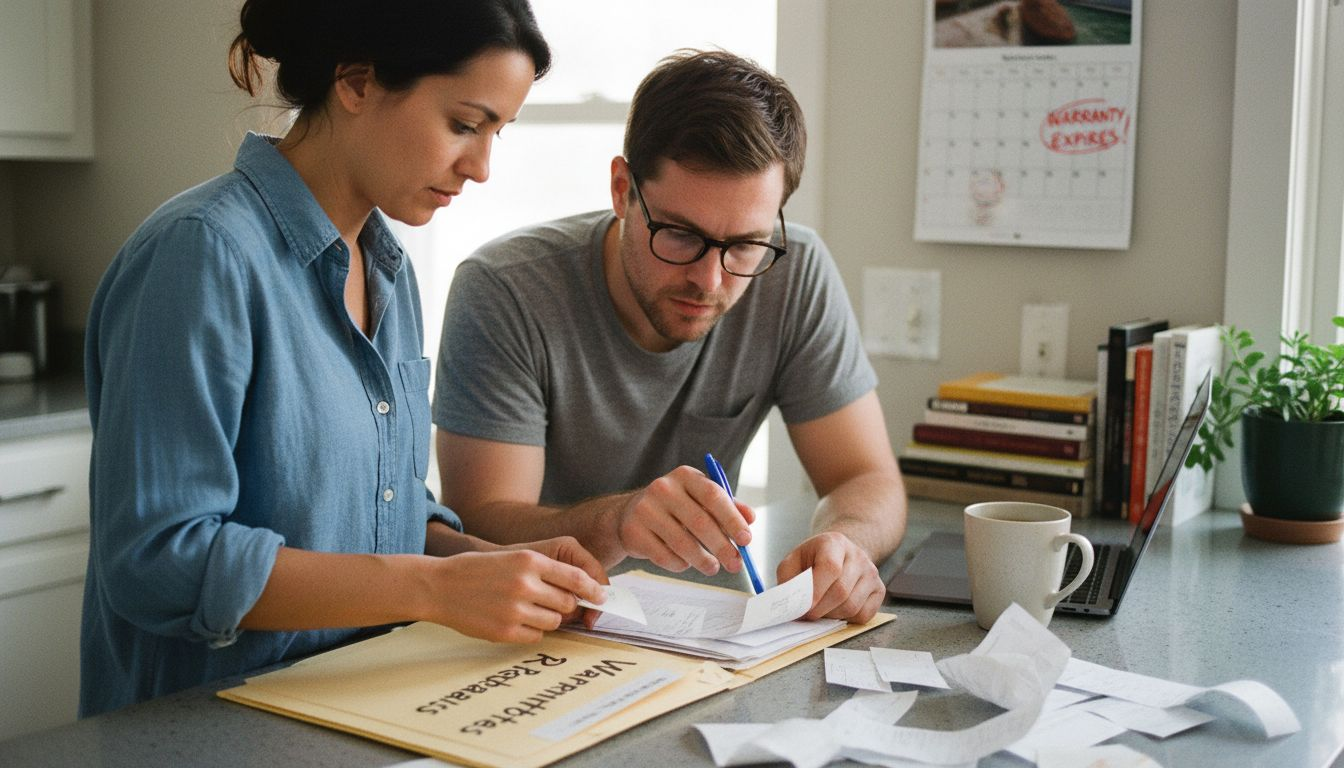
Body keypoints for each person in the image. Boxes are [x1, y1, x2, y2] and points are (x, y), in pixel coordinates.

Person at [79, 0, 607, 718]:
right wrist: (433, 589)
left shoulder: (390, 270)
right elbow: (159, 563)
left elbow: (380, 509)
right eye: (463, 124)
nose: (481, 167)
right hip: (206, 729)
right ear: (356, 83)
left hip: (358, 711)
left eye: (497, 133)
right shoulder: (202, 255)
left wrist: (489, 566)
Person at [432, 49, 906, 625]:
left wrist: (846, 544)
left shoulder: (795, 270)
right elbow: (479, 522)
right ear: (621, 189)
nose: (710, 281)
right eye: (681, 236)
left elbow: (866, 477)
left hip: (715, 634)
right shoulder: (506, 291)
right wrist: (616, 521)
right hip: (545, 629)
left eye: (744, 245)